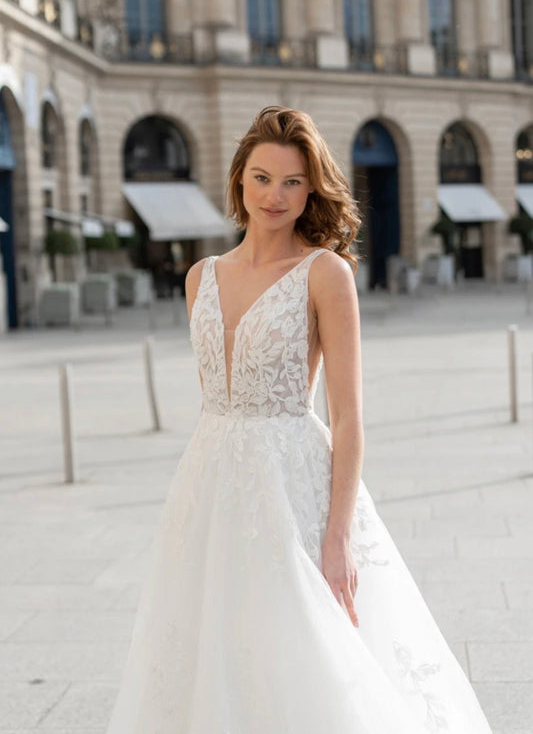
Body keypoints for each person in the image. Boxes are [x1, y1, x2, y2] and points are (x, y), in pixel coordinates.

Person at [105, 106, 494, 733]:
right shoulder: (198, 277)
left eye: (291, 181)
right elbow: (218, 398)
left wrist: (337, 537)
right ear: (238, 182)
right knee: (210, 652)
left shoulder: (325, 274)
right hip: (207, 489)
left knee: (305, 652)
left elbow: (349, 418)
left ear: (311, 187)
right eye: (261, 178)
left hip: (293, 486)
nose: (274, 195)